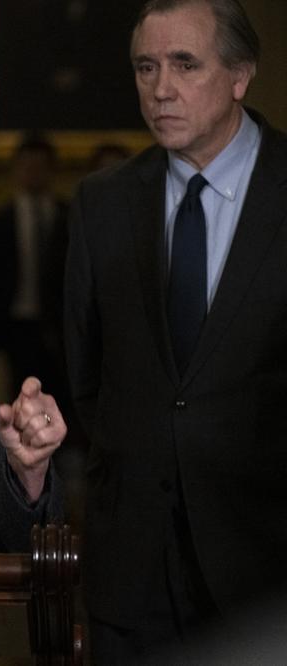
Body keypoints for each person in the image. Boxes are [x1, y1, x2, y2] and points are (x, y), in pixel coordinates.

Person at [63, 0, 287, 660]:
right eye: (146, 67)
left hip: (266, 569)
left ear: (240, 75)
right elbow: (86, 374)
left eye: (185, 65)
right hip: (132, 569)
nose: (161, 89)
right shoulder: (102, 202)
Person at [0, 135, 70, 397]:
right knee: (18, 396)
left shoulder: (70, 215)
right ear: (16, 170)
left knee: (60, 397)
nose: (33, 173)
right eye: (27, 166)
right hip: (16, 323)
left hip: (60, 324)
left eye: (40, 167)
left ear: (52, 170)